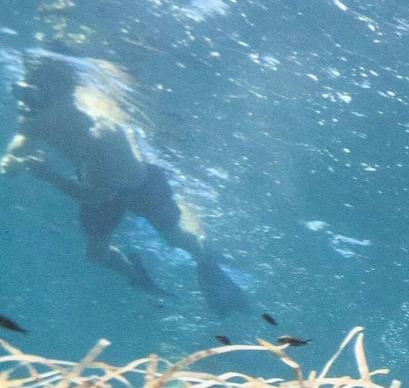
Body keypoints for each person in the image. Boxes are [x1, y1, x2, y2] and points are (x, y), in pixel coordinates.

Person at [2, 52, 250, 313]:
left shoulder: (101, 133)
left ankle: (207, 263)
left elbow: (95, 197)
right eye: (23, 92)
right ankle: (136, 273)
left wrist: (45, 173)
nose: (26, 103)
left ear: (66, 96)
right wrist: (10, 163)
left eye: (34, 95)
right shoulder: (37, 115)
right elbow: (20, 142)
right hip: (97, 183)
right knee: (95, 254)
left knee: (177, 238)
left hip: (141, 186)